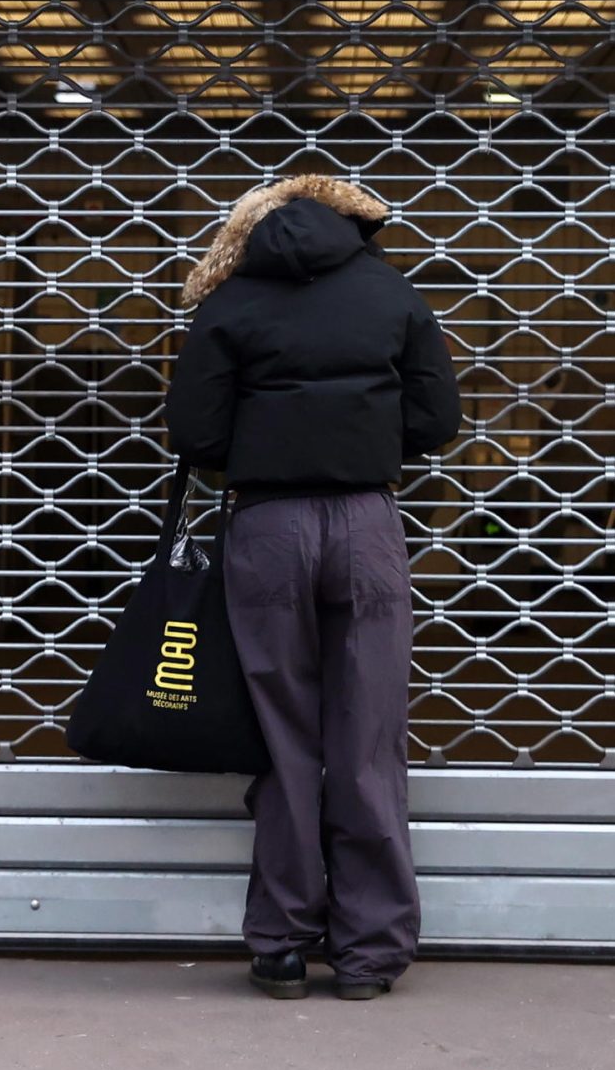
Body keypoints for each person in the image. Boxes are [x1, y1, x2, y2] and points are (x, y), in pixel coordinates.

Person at [164, 174, 462, 1001]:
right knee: (367, 738)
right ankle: (371, 953)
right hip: (368, 525)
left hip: (267, 527)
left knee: (283, 734)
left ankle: (284, 942)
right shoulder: (392, 291)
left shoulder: (227, 303)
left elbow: (192, 431)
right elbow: (438, 423)